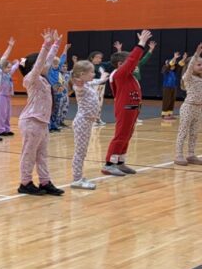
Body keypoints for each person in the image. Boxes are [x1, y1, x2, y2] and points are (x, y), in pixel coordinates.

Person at [17, 30, 65, 197]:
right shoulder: (31, 79)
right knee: (29, 154)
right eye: (43, 63)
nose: (47, 64)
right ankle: (25, 183)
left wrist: (56, 44)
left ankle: (45, 181)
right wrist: (45, 45)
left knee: (42, 155)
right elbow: (39, 65)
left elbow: (47, 61)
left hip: (42, 122)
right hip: (31, 121)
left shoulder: (44, 78)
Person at [103, 30, 152, 176]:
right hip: (125, 108)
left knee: (127, 136)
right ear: (120, 64)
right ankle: (109, 164)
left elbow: (131, 61)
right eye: (131, 63)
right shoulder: (119, 74)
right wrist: (141, 43)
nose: (135, 65)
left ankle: (120, 162)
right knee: (120, 135)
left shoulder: (128, 75)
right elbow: (132, 60)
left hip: (133, 108)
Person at [70, 60, 109, 189]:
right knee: (80, 152)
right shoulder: (80, 86)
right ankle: (77, 179)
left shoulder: (87, 84)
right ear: (82, 74)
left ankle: (78, 177)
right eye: (91, 72)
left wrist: (102, 77)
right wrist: (76, 78)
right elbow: (77, 82)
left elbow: (96, 81)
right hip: (82, 122)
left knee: (83, 151)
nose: (93, 74)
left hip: (87, 122)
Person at [174, 43, 202, 166]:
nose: (201, 66)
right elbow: (190, 68)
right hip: (188, 108)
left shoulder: (200, 79)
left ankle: (191, 154)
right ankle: (179, 154)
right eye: (199, 64)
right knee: (183, 131)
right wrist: (196, 55)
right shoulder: (188, 77)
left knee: (194, 133)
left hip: (198, 109)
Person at [0, 54, 20, 137]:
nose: (10, 69)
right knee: (2, 113)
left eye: (10, 67)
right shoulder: (1, 74)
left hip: (8, 96)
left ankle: (7, 129)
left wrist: (17, 62)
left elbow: (14, 67)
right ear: (2, 68)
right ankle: (0, 130)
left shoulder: (9, 74)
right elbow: (1, 64)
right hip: (1, 96)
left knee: (8, 114)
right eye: (8, 67)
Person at [162, 52, 187, 119]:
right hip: (167, 87)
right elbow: (171, 64)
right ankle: (164, 114)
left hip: (173, 87)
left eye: (174, 65)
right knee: (167, 100)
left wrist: (184, 58)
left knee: (172, 101)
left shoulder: (174, 71)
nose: (173, 66)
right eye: (172, 65)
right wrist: (175, 58)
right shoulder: (165, 69)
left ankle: (169, 114)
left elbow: (180, 64)